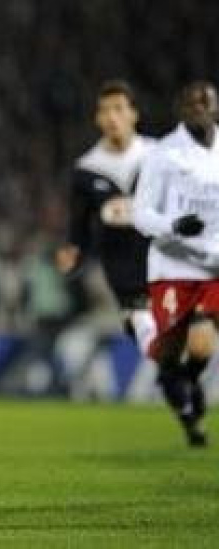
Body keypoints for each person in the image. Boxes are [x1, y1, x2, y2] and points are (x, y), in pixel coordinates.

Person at [133, 80, 219, 447]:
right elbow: (140, 214)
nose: (199, 106)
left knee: (201, 347)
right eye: (192, 101)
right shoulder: (163, 153)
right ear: (181, 109)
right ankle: (179, 385)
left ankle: (190, 380)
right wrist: (173, 225)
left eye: (206, 101)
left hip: (213, 265)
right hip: (173, 266)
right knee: (168, 354)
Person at [55, 80, 157, 381]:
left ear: (134, 114)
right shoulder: (86, 170)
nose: (112, 117)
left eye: (119, 109)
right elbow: (78, 230)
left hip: (168, 266)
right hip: (123, 274)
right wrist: (72, 255)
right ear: (98, 119)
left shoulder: (159, 157)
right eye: (105, 110)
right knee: (150, 339)